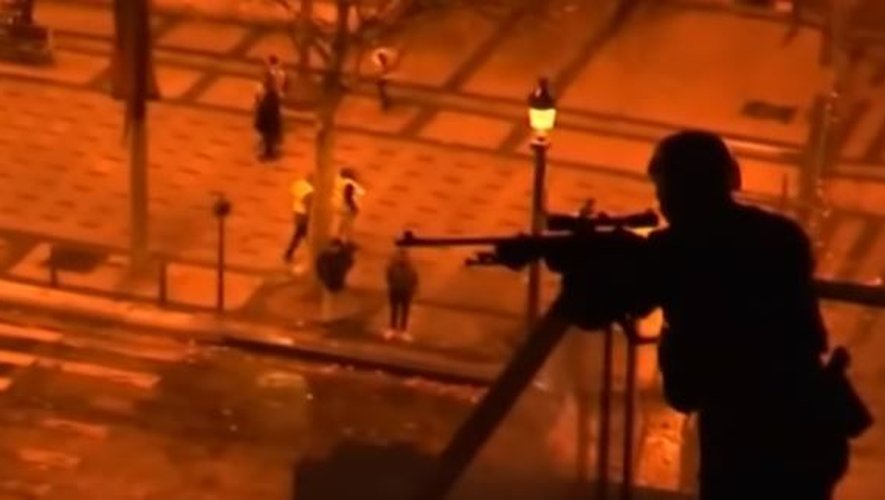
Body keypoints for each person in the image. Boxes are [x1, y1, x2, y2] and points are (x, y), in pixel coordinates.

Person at [555, 130, 851, 499]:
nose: (660, 201)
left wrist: (577, 265)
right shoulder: (781, 234)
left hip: (744, 433)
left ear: (678, 189)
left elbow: (591, 310)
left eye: (663, 188)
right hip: (808, 420)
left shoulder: (677, 249)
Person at [384, 248, 418, 341]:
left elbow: (415, 280)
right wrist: (392, 286)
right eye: (400, 256)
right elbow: (389, 277)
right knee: (394, 311)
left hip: (406, 292)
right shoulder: (392, 267)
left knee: (405, 312)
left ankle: (403, 331)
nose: (402, 258)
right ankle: (392, 329)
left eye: (404, 256)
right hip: (395, 291)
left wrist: (412, 290)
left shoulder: (412, 268)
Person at [283, 174, 314, 272]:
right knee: (306, 235)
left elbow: (293, 190)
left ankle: (289, 254)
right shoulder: (310, 191)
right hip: (304, 216)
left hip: (297, 213)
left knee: (299, 235)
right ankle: (314, 255)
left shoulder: (299, 184)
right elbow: (308, 204)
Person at [254, 73, 283, 160]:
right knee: (268, 138)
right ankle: (269, 152)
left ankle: (268, 152)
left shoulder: (270, 95)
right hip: (270, 120)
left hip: (268, 120)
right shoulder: (272, 95)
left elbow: (266, 107)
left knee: (267, 137)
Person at [333, 168, 365, 243]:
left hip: (340, 205)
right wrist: (353, 207)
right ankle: (347, 241)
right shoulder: (349, 184)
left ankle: (338, 238)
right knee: (348, 225)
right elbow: (348, 196)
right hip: (347, 207)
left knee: (342, 223)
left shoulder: (339, 181)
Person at [370, 47, 395, 111]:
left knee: (382, 92)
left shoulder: (383, 64)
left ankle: (385, 103)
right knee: (382, 92)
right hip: (380, 81)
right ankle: (385, 103)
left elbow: (386, 71)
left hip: (382, 80)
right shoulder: (380, 65)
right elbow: (380, 73)